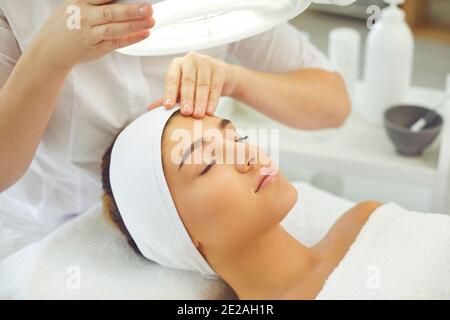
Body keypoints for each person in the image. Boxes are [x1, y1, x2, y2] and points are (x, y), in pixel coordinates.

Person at [0, 0, 350, 261]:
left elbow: (333, 104)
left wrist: (235, 79)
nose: (248, 157)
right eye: (207, 164)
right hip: (44, 227)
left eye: (236, 137)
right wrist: (48, 55)